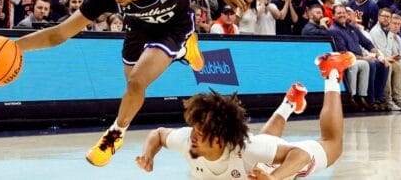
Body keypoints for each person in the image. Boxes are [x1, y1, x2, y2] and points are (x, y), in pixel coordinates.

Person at [7, 0, 245, 167]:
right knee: (131, 85)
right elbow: (59, 33)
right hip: (138, 28)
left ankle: (114, 135)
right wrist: (14, 47)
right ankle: (184, 52)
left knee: (136, 82)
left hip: (174, 27)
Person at [136, 52, 356, 179]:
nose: (193, 136)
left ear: (220, 139)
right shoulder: (187, 140)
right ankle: (290, 102)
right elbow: (158, 134)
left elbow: (300, 155)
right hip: (261, 153)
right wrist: (148, 155)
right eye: (195, 129)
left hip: (283, 168)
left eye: (201, 133)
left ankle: (332, 73)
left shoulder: (248, 150)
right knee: (266, 141)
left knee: (333, 144)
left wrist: (274, 178)